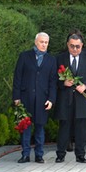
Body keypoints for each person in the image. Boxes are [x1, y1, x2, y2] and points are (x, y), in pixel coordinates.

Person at [13, 33, 57, 163]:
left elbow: (53, 82)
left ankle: (39, 155)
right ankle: (25, 154)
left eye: (46, 42)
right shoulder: (25, 56)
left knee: (39, 127)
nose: (44, 44)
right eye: (41, 42)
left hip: (42, 100)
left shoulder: (51, 60)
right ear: (36, 42)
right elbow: (18, 77)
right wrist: (16, 97)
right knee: (25, 127)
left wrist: (51, 99)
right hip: (26, 98)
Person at [57, 34, 86, 163]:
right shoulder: (60, 58)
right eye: (72, 46)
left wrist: (85, 85)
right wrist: (63, 83)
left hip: (83, 99)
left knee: (81, 129)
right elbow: (52, 78)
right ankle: (60, 154)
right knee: (64, 128)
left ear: (82, 46)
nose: (75, 49)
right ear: (67, 45)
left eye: (77, 46)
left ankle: (80, 155)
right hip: (66, 99)